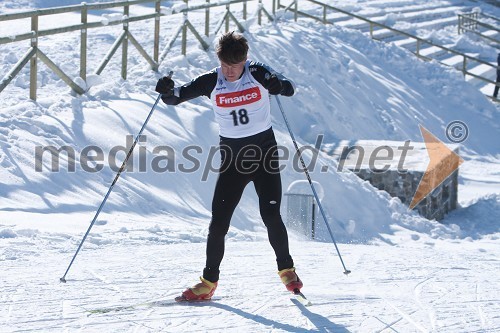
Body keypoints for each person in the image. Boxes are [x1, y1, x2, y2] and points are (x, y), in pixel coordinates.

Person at [155, 31, 303, 301]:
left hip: (264, 157)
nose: (229, 71)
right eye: (224, 65)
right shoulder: (213, 80)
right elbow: (175, 97)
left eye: (234, 66)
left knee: (270, 216)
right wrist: (165, 89)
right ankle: (208, 283)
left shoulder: (257, 72)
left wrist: (277, 86)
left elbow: (288, 87)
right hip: (233, 162)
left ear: (245, 60)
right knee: (218, 223)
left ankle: (287, 270)